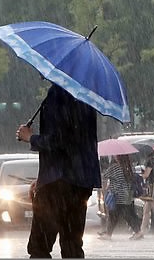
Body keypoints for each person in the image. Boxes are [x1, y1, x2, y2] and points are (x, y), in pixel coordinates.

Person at [16, 83, 101, 258]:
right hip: (81, 181)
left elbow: (58, 141)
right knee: (72, 245)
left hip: (57, 182)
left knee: (40, 246)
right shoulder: (86, 95)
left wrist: (30, 137)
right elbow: (78, 140)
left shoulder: (57, 94)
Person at [98, 154, 144, 241]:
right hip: (127, 195)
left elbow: (104, 176)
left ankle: (109, 234)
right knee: (128, 214)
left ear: (118, 157)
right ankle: (138, 232)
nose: (114, 156)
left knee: (115, 215)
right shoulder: (129, 167)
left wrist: (105, 189)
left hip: (117, 195)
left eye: (115, 156)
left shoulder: (114, 167)